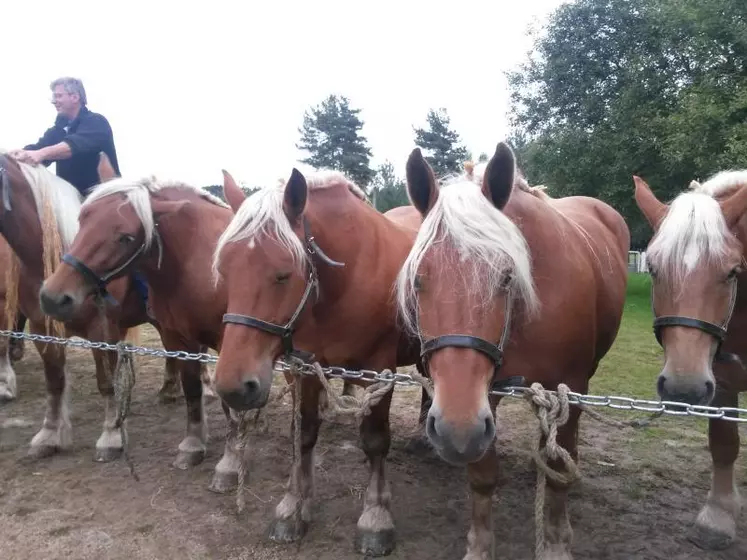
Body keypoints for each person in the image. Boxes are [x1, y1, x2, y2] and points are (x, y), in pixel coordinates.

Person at [10, 77, 150, 315]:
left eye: (59, 95)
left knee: (128, 243)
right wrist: (19, 155)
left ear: (75, 97)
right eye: (54, 96)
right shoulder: (58, 129)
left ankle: (146, 300)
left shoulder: (96, 123)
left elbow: (75, 145)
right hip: (71, 202)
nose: (54, 101)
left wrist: (41, 153)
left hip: (107, 201)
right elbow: (39, 148)